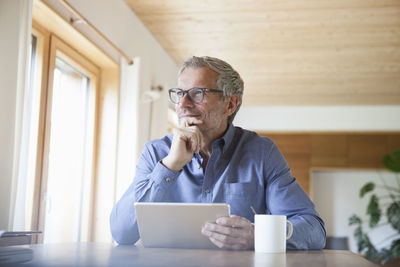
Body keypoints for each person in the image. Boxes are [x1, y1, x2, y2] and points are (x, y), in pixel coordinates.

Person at [110, 56, 326, 250]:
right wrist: (170, 166)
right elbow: (122, 232)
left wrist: (259, 237)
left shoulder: (262, 152)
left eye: (197, 93)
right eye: (179, 93)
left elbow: (313, 229)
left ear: (230, 104)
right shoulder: (156, 153)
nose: (183, 104)